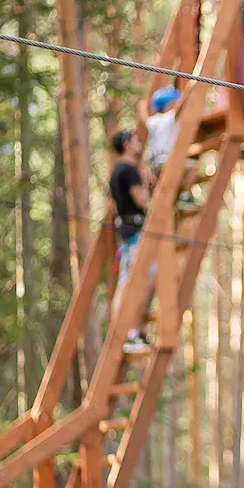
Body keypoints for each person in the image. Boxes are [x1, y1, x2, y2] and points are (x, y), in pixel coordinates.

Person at [108, 130, 151, 353]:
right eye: (135, 139)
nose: (139, 143)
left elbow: (114, 206)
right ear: (126, 144)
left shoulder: (116, 172)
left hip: (126, 230)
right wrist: (148, 187)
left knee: (128, 281)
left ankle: (125, 331)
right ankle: (131, 332)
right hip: (135, 231)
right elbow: (142, 200)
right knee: (137, 282)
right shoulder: (128, 170)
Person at [137, 85, 182, 183]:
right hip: (167, 160)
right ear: (169, 105)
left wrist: (142, 107)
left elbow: (145, 118)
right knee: (193, 169)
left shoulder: (153, 121)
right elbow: (181, 108)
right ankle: (184, 195)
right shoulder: (169, 117)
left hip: (156, 163)